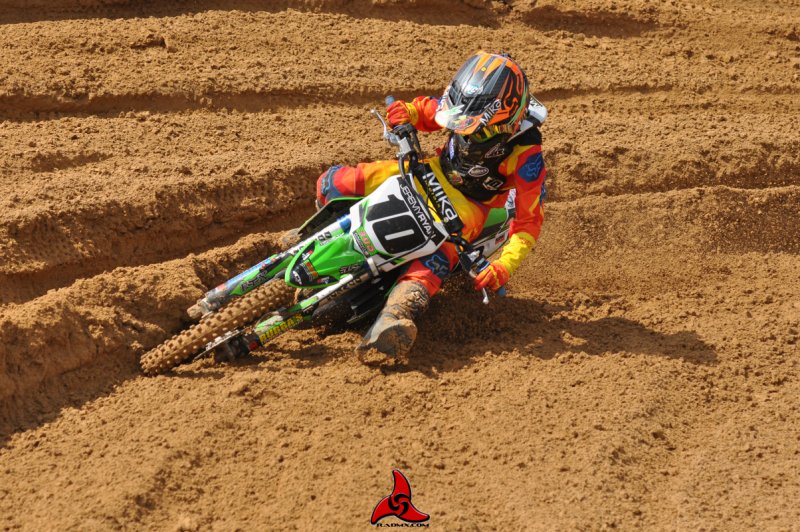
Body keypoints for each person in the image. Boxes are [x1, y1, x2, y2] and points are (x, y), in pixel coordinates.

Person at [315, 51, 548, 358]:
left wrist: (504, 267)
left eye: (477, 127)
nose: (465, 130)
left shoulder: (528, 156)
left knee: (442, 251)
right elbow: (423, 111)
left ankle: (394, 317)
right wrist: (404, 113)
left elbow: (529, 223)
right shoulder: (466, 104)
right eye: (461, 121)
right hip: (430, 171)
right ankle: (311, 239)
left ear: (507, 119)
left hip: (471, 205)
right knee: (334, 183)